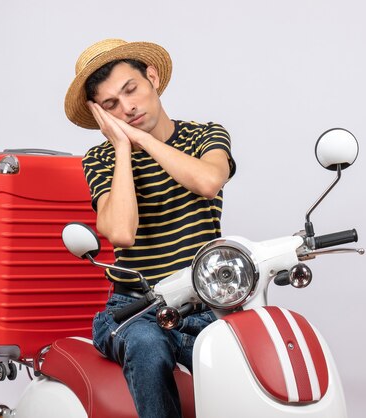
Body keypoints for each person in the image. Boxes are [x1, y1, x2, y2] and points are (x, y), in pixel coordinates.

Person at [64, 38, 236, 418]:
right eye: (111, 105)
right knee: (146, 346)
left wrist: (142, 138)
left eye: (131, 90)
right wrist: (124, 148)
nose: (128, 108)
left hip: (205, 305)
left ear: (152, 78)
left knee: (242, 360)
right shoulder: (101, 158)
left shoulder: (205, 136)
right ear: (100, 117)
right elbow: (121, 231)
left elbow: (208, 181)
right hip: (133, 310)